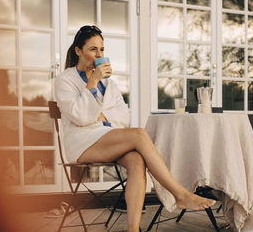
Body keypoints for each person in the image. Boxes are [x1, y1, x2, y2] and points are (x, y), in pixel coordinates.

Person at [54, 25, 215, 232]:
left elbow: (123, 116)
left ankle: (133, 229)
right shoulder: (65, 80)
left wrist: (100, 116)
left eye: (102, 50)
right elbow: (80, 117)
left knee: (137, 161)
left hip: (106, 137)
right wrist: (92, 83)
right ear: (78, 50)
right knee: (139, 134)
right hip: (81, 142)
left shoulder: (109, 84)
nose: (99, 54)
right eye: (93, 49)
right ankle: (180, 194)